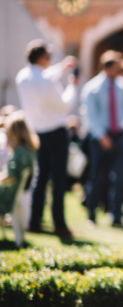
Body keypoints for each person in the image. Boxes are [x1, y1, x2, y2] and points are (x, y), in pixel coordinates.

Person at [15, 39, 78, 237]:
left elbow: (42, 78)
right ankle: (59, 224)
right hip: (55, 132)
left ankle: (35, 221)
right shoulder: (45, 80)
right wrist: (73, 85)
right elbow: (65, 104)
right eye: (49, 57)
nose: (50, 61)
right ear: (42, 57)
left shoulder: (22, 76)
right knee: (58, 179)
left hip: (36, 132)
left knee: (40, 177)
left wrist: (61, 68)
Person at [81, 50, 123, 228]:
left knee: (121, 176)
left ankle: (116, 215)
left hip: (119, 135)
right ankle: (92, 213)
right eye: (115, 67)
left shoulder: (122, 86)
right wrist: (101, 136)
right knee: (98, 176)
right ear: (106, 67)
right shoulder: (92, 87)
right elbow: (90, 115)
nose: (118, 71)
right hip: (99, 136)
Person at [0, 111, 38, 247]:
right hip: (13, 192)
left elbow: (12, 175)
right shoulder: (28, 150)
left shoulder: (20, 152)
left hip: (6, 195)